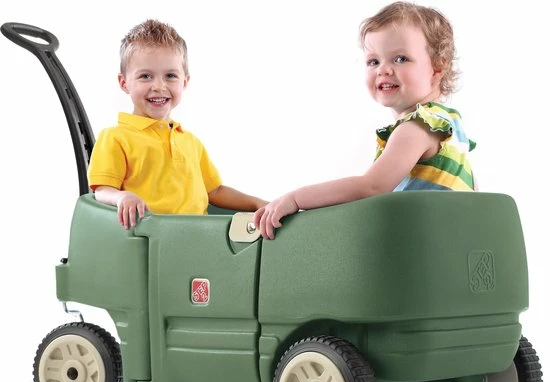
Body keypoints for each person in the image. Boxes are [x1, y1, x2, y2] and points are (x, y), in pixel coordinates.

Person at [254, 1, 476, 240]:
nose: (383, 70)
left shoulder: (417, 128)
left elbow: (371, 187)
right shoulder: (451, 127)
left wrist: (296, 199)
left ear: (437, 67)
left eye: (400, 58)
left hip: (421, 248)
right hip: (446, 246)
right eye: (374, 61)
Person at [88, 19, 267, 229]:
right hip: (149, 238)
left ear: (184, 82)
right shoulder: (115, 137)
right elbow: (101, 191)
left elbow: (215, 191)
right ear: (124, 83)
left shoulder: (190, 142)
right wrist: (122, 197)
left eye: (170, 76)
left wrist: (257, 204)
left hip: (197, 237)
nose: (159, 86)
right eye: (145, 76)